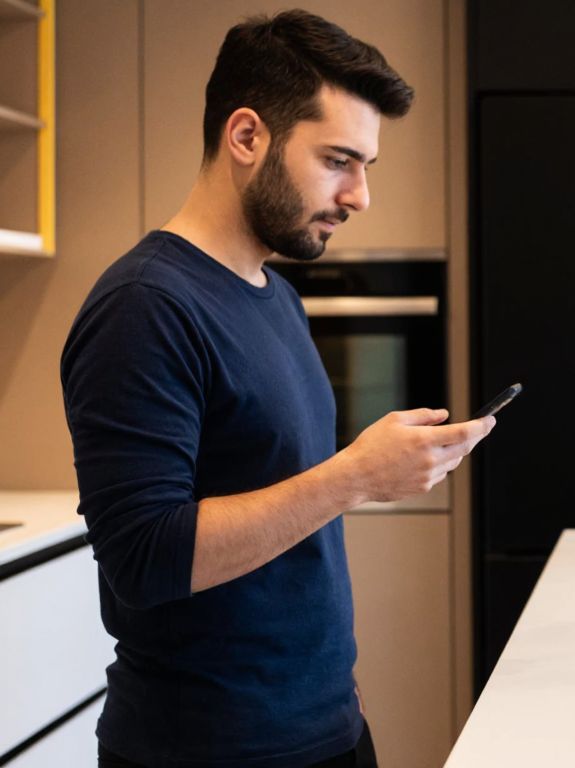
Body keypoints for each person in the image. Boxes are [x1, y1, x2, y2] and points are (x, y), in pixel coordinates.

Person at [59, 9, 493, 767]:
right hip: (204, 752)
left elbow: (289, 527)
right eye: (337, 160)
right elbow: (145, 558)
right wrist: (354, 475)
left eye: (366, 166)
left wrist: (332, 688)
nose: (359, 196)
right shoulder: (145, 307)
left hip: (325, 729)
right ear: (247, 136)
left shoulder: (275, 295)